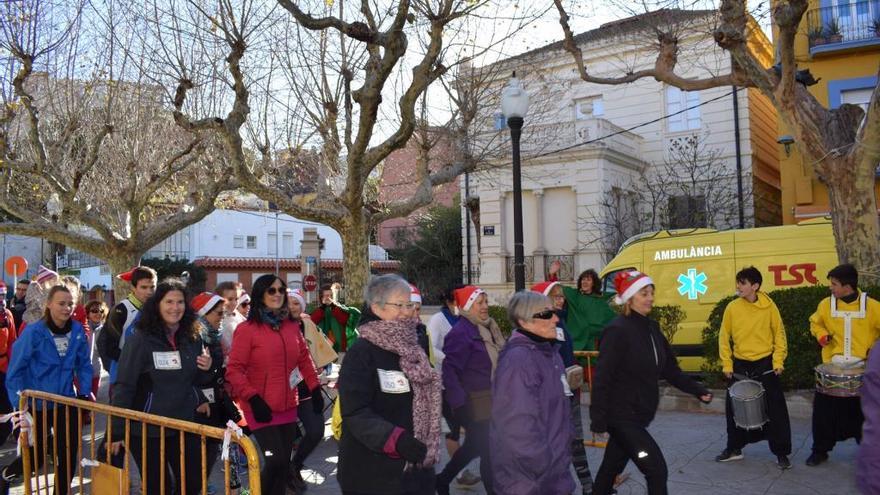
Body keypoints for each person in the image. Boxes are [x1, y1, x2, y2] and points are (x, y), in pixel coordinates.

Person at [591, 270, 712, 495]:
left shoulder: (652, 328)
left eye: (651, 293)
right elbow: (602, 377)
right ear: (630, 297)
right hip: (622, 418)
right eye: (644, 293)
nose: (650, 298)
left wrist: (697, 390)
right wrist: (598, 420)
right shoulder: (617, 330)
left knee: (611, 468)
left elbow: (670, 369)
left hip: (639, 415)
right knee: (656, 470)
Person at [336, 274, 441, 495]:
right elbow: (355, 412)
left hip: (416, 468)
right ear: (377, 307)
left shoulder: (415, 344)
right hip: (371, 473)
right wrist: (397, 439)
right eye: (400, 305)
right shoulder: (362, 352)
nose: (408, 311)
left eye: (410, 304)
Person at [108, 278, 214, 495]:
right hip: (147, 428)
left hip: (184, 423)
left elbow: (195, 379)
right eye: (169, 302)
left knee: (192, 483)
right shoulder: (141, 339)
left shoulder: (193, 337)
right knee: (159, 488)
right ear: (157, 304)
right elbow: (124, 385)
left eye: (180, 302)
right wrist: (116, 431)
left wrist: (208, 368)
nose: (175, 308)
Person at [226, 275, 322, 495]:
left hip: (288, 405)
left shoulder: (291, 326)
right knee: (275, 460)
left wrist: (315, 387)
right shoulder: (247, 329)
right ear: (261, 295)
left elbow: (304, 359)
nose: (277, 294)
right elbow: (234, 370)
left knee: (282, 464)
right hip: (260, 408)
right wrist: (253, 398)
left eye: (281, 290)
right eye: (271, 290)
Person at [1, 285, 93, 495]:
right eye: (61, 303)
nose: (66, 308)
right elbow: (14, 371)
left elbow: (84, 365)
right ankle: (5, 474)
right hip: (37, 404)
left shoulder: (77, 330)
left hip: (66, 403)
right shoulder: (34, 332)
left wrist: (84, 393)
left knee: (67, 455)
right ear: (48, 304)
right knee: (36, 457)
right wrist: (19, 406)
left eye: (70, 303)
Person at [491, 291, 575, 494]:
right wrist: (541, 463)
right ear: (524, 321)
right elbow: (517, 425)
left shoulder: (550, 353)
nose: (556, 318)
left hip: (554, 474)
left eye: (554, 312)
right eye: (546, 314)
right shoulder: (519, 360)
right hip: (530, 480)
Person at [715, 266, 792, 469]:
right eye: (738, 282)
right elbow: (724, 337)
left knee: (775, 410)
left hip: (765, 363)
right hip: (740, 364)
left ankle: (781, 453)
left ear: (755, 286)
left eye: (742, 283)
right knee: (733, 410)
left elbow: (779, 335)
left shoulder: (769, 307)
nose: (738, 286)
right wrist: (727, 363)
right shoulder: (732, 307)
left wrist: (778, 361)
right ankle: (734, 448)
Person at [806, 264, 880, 466]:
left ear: (847, 286)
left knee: (866, 416)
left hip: (862, 371)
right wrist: (821, 335)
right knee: (823, 414)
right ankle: (819, 450)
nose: (831, 288)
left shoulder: (872, 307)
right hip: (833, 369)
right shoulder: (825, 305)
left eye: (834, 284)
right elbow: (815, 322)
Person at [436, 285, 505, 495]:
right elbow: (450, 370)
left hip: (490, 399)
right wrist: (459, 404)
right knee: (488, 451)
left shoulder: (488, 328)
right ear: (467, 306)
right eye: (480, 302)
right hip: (472, 402)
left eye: (486, 302)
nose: (485, 306)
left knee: (475, 446)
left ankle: (442, 480)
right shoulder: (461, 333)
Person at [532, 281, 594, 494]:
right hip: (556, 396)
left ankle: (587, 484)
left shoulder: (561, 321)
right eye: (556, 296)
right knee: (562, 443)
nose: (561, 299)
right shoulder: (545, 327)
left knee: (575, 439)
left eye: (561, 296)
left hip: (570, 391)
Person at [425, 285, 480, 487]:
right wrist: (451, 358)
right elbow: (431, 347)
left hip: (464, 383)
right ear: (449, 302)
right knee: (455, 429)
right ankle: (458, 473)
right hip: (444, 383)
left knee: (473, 430)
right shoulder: (438, 320)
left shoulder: (465, 320)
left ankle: (453, 473)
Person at [286, 288, 335, 494]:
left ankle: (295, 465)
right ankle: (284, 476)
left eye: (296, 303)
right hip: (282, 393)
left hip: (306, 389)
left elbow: (319, 352)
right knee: (285, 439)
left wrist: (318, 372)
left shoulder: (307, 324)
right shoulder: (275, 326)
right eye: (288, 303)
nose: (292, 307)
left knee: (316, 431)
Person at [97, 266, 157, 388]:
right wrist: (132, 362)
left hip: (151, 378)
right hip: (123, 378)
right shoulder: (120, 310)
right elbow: (108, 346)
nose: (149, 292)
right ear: (133, 287)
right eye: (144, 287)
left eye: (152, 287)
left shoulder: (157, 310)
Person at [547, 261, 616, 352]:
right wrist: (552, 275)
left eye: (588, 279)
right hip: (576, 342)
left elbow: (611, 318)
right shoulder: (574, 295)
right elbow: (557, 288)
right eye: (583, 279)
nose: (585, 282)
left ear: (594, 283)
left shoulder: (601, 299)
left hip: (594, 344)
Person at [310, 283, 361, 353]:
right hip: (322, 349)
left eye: (331, 296)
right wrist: (323, 307)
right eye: (327, 296)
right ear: (321, 298)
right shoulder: (317, 310)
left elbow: (344, 320)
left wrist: (333, 306)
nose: (329, 298)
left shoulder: (341, 308)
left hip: (341, 348)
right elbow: (312, 322)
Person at [0, 283, 16, 446]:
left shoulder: (7, 315)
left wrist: (13, 367)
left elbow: (12, 341)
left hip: (4, 369)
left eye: (2, 296)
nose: (1, 299)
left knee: (6, 416)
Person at [216, 281, 247, 358]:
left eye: (236, 299)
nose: (234, 303)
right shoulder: (214, 318)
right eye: (230, 299)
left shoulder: (240, 317)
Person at [84, 300, 107, 399]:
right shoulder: (81, 328)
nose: (98, 313)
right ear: (88, 313)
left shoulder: (105, 331)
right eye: (94, 311)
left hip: (96, 372)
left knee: (92, 402)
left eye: (101, 311)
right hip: (80, 373)